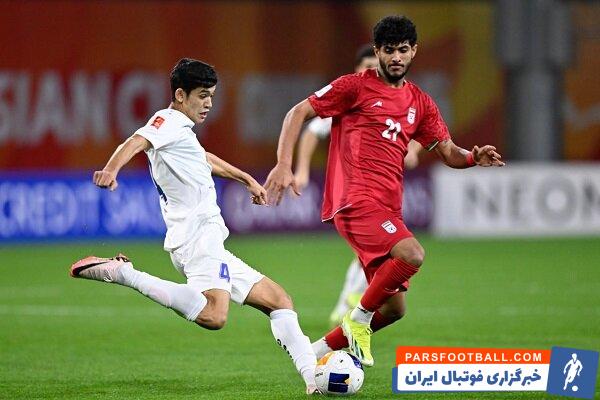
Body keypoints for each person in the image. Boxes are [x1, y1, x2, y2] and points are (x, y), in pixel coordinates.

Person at [265, 16, 504, 367]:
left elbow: (448, 151)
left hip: (388, 208)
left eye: (402, 50)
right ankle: (358, 321)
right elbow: (298, 112)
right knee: (412, 254)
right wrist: (284, 164)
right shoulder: (354, 86)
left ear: (414, 51)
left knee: (393, 309)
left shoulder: (420, 102)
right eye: (389, 50)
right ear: (377, 51)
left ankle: (311, 356)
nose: (396, 57)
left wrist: (472, 157)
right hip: (354, 199)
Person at [69, 58, 319, 394]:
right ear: (180, 94)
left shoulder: (181, 132)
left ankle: (314, 378)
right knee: (215, 315)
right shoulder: (167, 121)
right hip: (197, 237)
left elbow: (203, 159)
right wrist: (111, 169)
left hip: (205, 238)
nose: (209, 103)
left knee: (278, 300)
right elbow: (136, 140)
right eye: (202, 95)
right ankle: (125, 274)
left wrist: (246, 179)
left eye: (212, 96)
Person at [293, 44, 423, 327]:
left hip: (387, 194)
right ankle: (353, 304)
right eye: (366, 67)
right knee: (386, 252)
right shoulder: (351, 97)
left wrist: (413, 150)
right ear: (357, 70)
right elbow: (311, 131)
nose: (373, 72)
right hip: (354, 195)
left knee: (378, 255)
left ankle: (348, 308)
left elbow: (419, 130)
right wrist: (301, 171)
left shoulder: (404, 101)